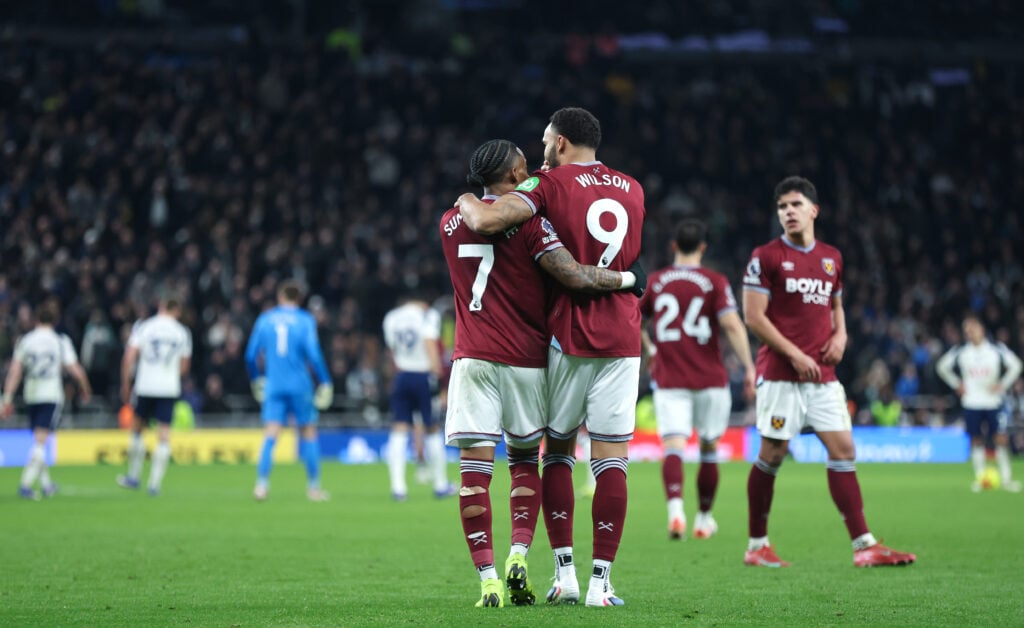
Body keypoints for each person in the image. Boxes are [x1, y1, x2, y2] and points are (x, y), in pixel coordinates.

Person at [457, 107, 646, 607]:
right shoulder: (633, 187)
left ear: (560, 144)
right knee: (612, 461)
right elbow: (626, 258)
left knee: (557, 452)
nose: (539, 152)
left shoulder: (547, 184)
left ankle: (564, 575)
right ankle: (602, 584)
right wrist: (629, 279)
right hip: (624, 336)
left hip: (568, 335)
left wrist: (466, 197)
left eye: (543, 142)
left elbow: (490, 217)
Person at [740, 176, 916, 567]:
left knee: (843, 450)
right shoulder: (765, 257)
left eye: (796, 204)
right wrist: (794, 354)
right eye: (782, 206)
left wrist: (842, 334)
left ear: (813, 210)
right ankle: (756, 546)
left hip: (822, 375)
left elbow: (835, 303)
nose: (788, 211)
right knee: (774, 451)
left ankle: (864, 546)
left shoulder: (831, 257)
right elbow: (753, 316)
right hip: (782, 374)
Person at [639, 218, 756, 540]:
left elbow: (635, 321)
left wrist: (649, 350)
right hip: (710, 379)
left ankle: (676, 512)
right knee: (708, 449)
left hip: (670, 377)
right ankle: (703, 518)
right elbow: (732, 325)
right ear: (702, 248)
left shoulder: (656, 281)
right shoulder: (714, 282)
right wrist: (749, 366)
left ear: (673, 246)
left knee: (673, 446)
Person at [245, 280, 333, 502]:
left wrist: (257, 379)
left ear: (279, 297)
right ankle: (314, 488)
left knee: (270, 434)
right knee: (308, 433)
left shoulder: (265, 319)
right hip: (300, 386)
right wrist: (324, 381)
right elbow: (313, 355)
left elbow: (250, 355)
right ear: (299, 299)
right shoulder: (305, 320)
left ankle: (261, 486)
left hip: (274, 385)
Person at [2, 300, 92, 499]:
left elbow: (15, 371)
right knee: (41, 443)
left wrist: (7, 397)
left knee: (38, 440)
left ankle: (46, 484)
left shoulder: (26, 340)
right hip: (51, 394)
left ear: (36, 319)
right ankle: (25, 484)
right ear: (55, 320)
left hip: (31, 394)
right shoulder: (59, 340)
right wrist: (85, 388)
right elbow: (75, 369)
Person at [936, 313, 1022, 492]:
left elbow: (1016, 365)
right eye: (966, 329)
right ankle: (980, 477)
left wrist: (1003, 384)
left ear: (981, 329)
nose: (969, 332)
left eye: (972, 328)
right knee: (976, 440)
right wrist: (956, 383)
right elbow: (941, 366)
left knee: (1000, 438)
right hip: (971, 402)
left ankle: (1006, 480)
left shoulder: (996, 349)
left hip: (993, 401)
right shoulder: (961, 351)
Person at [117, 296, 192, 496]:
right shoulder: (182, 332)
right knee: (164, 434)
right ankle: (154, 484)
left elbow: (129, 357)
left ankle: (134, 476)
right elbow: (184, 366)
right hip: (168, 388)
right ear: (176, 311)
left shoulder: (144, 327)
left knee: (137, 429)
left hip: (145, 386)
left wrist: (125, 383)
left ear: (161, 307)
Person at [382, 294, 453, 501]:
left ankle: (398, 488)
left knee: (399, 428)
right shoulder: (427, 314)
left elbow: (392, 349)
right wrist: (439, 375)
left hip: (402, 374)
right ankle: (440, 485)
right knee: (431, 428)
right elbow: (430, 343)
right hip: (423, 376)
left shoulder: (392, 317)